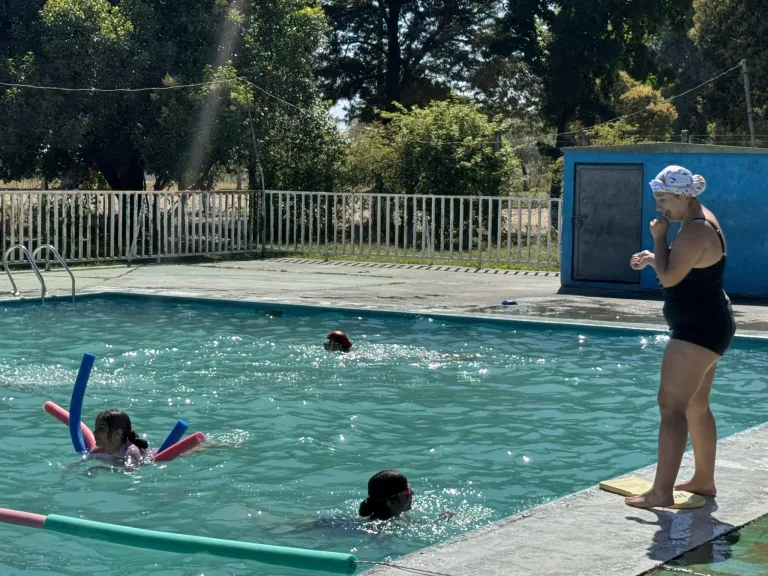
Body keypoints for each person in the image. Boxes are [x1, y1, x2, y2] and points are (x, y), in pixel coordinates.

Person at [627, 165, 736, 509]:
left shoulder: (695, 229)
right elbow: (681, 266)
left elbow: (671, 279)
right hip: (710, 323)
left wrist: (659, 241)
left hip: (697, 330)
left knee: (670, 406)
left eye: (663, 200)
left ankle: (661, 492)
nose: (660, 208)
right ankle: (704, 480)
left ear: (684, 195)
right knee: (696, 405)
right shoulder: (696, 221)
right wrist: (654, 256)